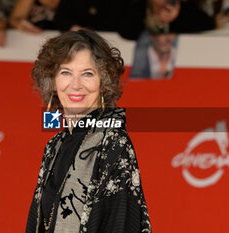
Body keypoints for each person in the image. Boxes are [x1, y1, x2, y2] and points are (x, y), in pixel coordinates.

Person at [26, 30, 152, 233]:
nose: (76, 85)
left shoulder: (113, 142)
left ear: (103, 83)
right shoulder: (55, 145)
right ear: (52, 81)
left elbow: (119, 225)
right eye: (66, 72)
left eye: (87, 74)